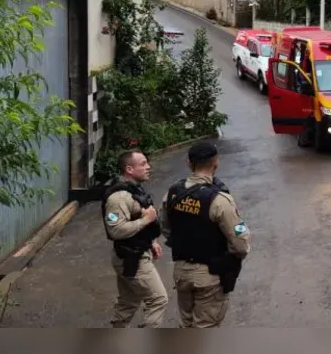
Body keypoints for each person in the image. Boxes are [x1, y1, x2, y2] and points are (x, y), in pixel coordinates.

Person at [161, 141, 251, 328]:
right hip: (209, 275)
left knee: (186, 325)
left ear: (189, 163)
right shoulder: (220, 200)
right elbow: (240, 243)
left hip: (181, 272)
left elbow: (166, 227)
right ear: (215, 162)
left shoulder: (173, 193)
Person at [102, 149, 168, 328]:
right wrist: (146, 220)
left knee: (129, 301)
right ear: (129, 169)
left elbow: (136, 219)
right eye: (143, 164)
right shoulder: (118, 197)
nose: (148, 167)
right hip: (131, 257)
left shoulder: (133, 189)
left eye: (147, 163)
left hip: (134, 252)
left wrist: (151, 241)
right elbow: (115, 230)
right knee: (158, 299)